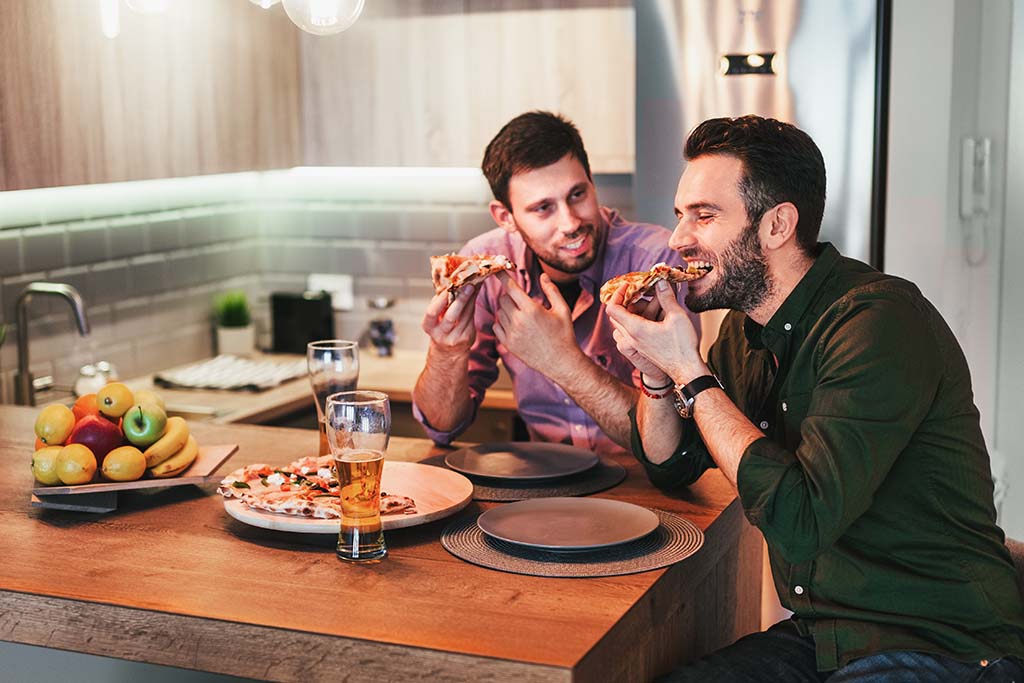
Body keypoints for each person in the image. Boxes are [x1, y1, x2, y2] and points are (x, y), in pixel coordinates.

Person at [605, 115, 1024, 681]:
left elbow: (800, 519)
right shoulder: (743, 330)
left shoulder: (877, 321)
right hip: (822, 637)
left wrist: (691, 371)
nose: (678, 238)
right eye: (681, 215)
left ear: (777, 224)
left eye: (704, 216)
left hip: (941, 645)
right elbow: (670, 464)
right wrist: (658, 374)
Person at [412, 111, 700, 454]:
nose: (570, 223)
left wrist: (559, 360)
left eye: (577, 194)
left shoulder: (654, 264)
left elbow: (675, 445)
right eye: (543, 208)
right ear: (506, 217)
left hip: (643, 485)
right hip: (543, 485)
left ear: (592, 183)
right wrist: (447, 352)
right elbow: (442, 428)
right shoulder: (483, 265)